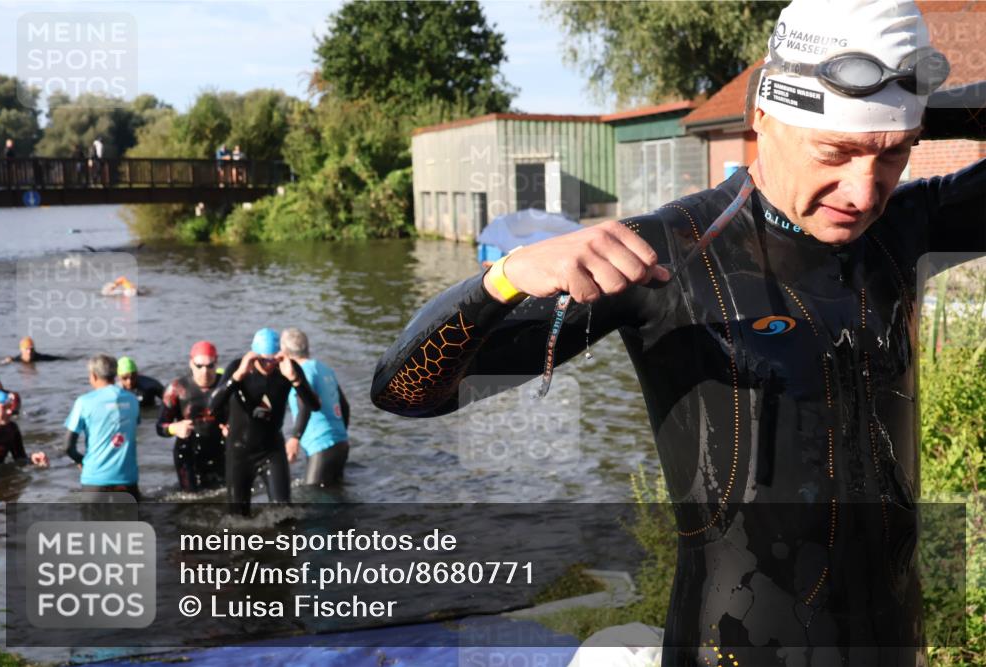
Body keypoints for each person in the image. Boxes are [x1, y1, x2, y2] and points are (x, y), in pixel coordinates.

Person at [371, 2, 984, 664]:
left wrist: (918, 104)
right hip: (736, 642)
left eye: (894, 154)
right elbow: (406, 393)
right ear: (764, 116)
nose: (864, 191)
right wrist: (503, 281)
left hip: (893, 641)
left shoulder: (903, 228)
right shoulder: (660, 255)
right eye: (836, 151)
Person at [210, 328, 320, 515]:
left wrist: (295, 379)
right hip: (239, 452)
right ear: (253, 355)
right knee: (237, 518)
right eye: (262, 360)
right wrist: (237, 377)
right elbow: (213, 406)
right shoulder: (238, 367)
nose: (269, 365)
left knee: (284, 513)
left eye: (273, 359)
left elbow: (314, 405)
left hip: (272, 451)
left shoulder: (288, 368)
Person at [280, 328, 350, 486]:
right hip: (341, 444)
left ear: (284, 351)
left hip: (321, 446)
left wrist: (294, 438)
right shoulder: (324, 368)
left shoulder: (301, 372)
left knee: (314, 499)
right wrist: (340, 434)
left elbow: (306, 403)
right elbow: (345, 406)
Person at [65, 354, 141, 499]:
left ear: (93, 376)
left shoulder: (84, 402)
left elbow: (68, 446)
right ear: (115, 375)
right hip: (127, 479)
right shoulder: (132, 400)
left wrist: (81, 461)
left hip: (95, 480)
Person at [157, 341, 227, 492]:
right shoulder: (177, 388)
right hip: (188, 453)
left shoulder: (227, 385)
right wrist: (174, 428)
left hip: (221, 451)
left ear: (217, 362)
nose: (205, 371)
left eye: (210, 366)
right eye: (199, 366)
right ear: (191, 363)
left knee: (223, 496)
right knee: (191, 500)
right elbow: (160, 426)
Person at [0, 388, 48, 482]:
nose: (9, 412)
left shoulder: (11, 429)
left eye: (10, 407)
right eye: (4, 408)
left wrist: (32, 460)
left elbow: (19, 459)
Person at [1, 337, 66, 365]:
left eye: (31, 349)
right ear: (21, 350)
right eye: (27, 349)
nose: (29, 352)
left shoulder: (41, 358)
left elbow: (58, 359)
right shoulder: (16, 360)